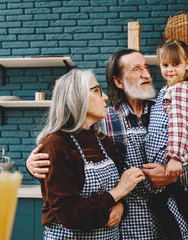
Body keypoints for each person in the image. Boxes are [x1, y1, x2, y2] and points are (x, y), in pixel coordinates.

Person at [27, 49, 188, 239]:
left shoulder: (168, 109)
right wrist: (33, 164)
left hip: (173, 223)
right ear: (118, 81)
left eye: (147, 67)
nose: (146, 74)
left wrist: (174, 176)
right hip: (129, 227)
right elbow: (67, 161)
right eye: (136, 69)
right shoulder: (103, 121)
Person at [35, 68, 145, 239]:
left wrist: (120, 206)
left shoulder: (104, 141)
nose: (106, 97)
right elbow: (70, 216)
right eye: (96, 91)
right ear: (76, 97)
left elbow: (111, 196)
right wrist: (119, 191)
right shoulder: (56, 144)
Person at [145, 39, 188, 239]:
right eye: (165, 65)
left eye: (176, 64)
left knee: (159, 203)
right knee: (185, 204)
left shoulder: (181, 89)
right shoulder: (167, 90)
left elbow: (179, 122)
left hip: (172, 157)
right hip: (167, 156)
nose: (170, 70)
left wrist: (175, 157)